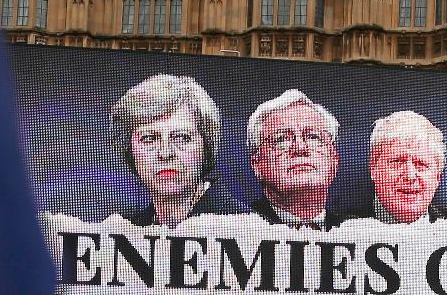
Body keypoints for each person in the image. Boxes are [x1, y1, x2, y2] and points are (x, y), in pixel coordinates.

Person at [110, 74, 248, 227]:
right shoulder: (127, 233)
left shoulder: (249, 229)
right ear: (130, 151)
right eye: (149, 138)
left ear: (206, 148)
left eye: (182, 138)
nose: (165, 153)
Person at [360, 110, 447, 225]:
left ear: (437, 176)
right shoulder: (342, 230)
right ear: (374, 168)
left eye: (421, 164)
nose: (410, 176)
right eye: (397, 162)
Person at [246, 90, 347, 230]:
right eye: (281, 139)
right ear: (257, 164)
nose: (300, 148)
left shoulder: (358, 234)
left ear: (334, 160)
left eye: (313, 137)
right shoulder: (235, 228)